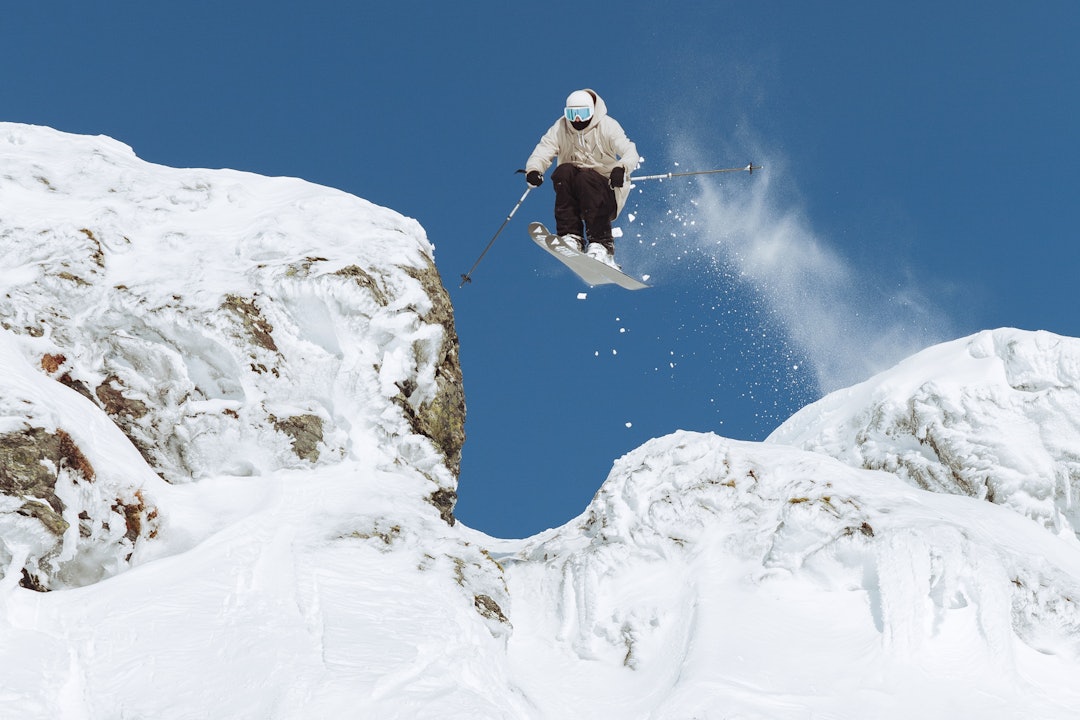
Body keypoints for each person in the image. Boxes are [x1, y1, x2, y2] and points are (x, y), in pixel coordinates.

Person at [525, 89, 640, 268]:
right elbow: (544, 149)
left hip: (605, 194)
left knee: (585, 178)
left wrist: (621, 168)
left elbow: (629, 150)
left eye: (583, 113)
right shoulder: (561, 127)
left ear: (592, 112)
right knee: (563, 172)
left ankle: (601, 244)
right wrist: (533, 170)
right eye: (572, 114)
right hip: (577, 198)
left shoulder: (607, 126)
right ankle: (571, 237)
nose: (577, 119)